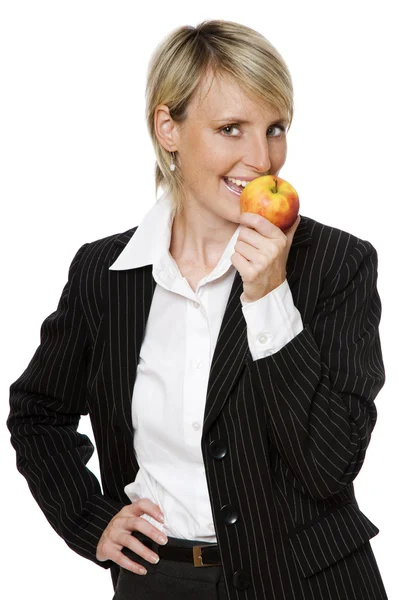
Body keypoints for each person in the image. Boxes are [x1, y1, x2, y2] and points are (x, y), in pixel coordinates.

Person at [6, 19, 388, 600]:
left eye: (275, 129)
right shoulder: (105, 274)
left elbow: (330, 466)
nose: (262, 158)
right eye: (231, 129)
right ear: (169, 128)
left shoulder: (337, 264)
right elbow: (38, 413)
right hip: (158, 581)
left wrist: (269, 298)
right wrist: (90, 519)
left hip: (308, 582)